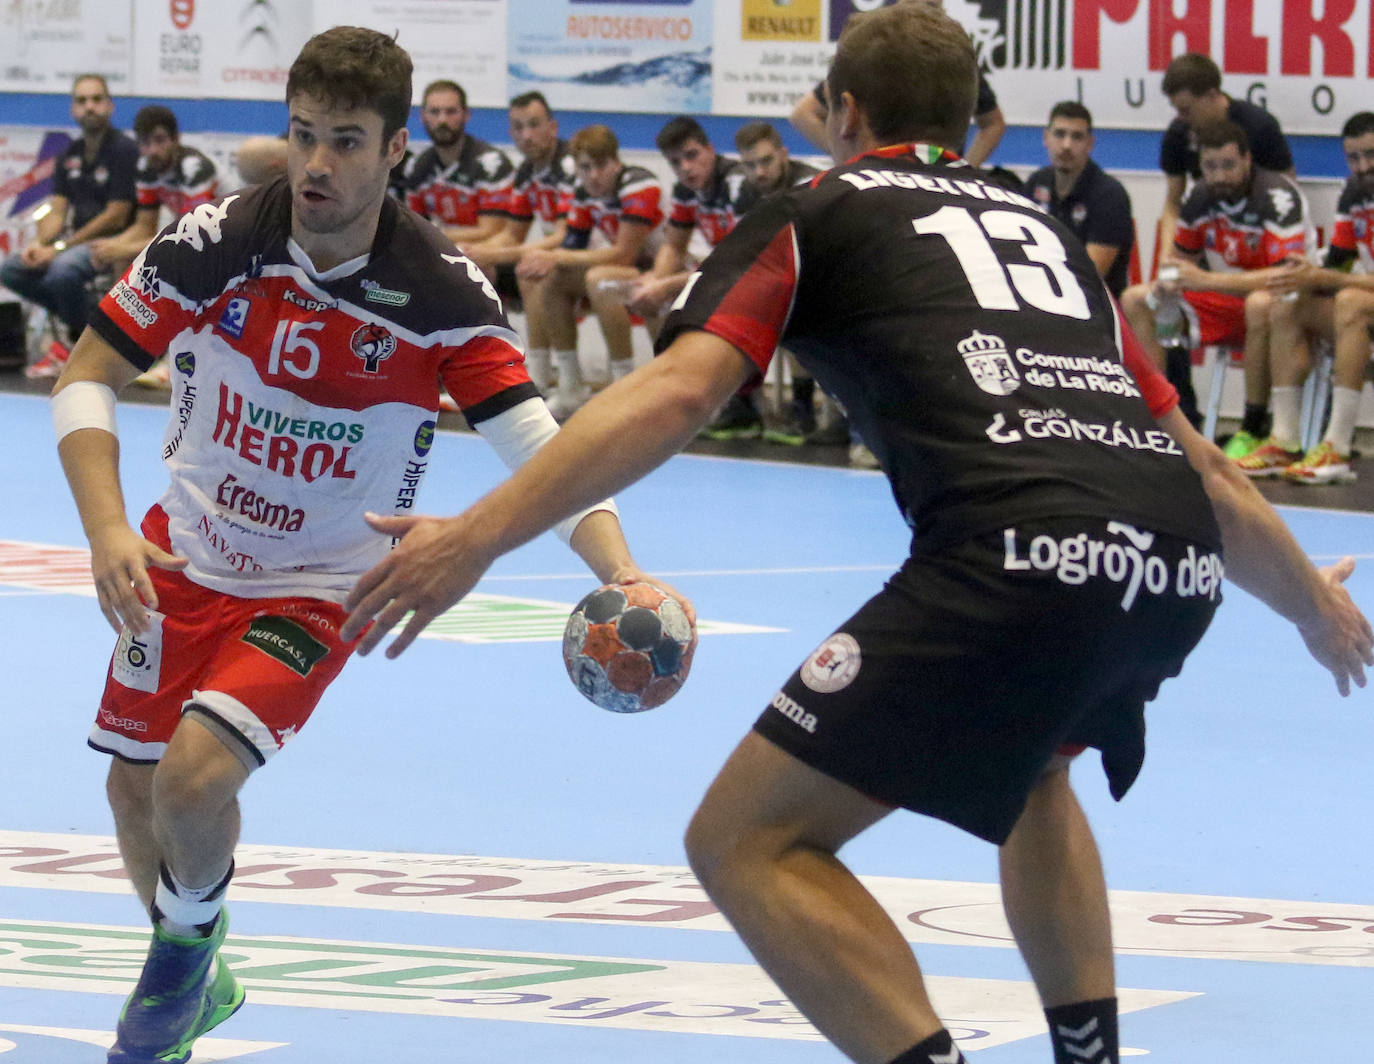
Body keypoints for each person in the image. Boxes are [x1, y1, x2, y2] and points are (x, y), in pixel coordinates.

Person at [337, 7, 1372, 1064]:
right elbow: (1202, 465)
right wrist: (1315, 605)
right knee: (1037, 764)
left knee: (746, 840)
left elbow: (675, 395)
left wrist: (474, 537)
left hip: (1012, 552)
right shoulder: (1047, 233)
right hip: (1168, 564)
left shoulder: (812, 210)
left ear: (843, 114)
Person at [50, 27, 677, 1064]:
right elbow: (84, 372)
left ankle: (183, 955)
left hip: (323, 584)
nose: (316, 164)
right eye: (302, 136)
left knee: (194, 781)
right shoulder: (214, 242)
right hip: (180, 556)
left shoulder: (438, 289)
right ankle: (202, 965)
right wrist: (107, 524)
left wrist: (621, 571)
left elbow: (536, 442)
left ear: (395, 151)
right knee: (133, 785)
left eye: (346, 140)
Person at [1120, 120, 1310, 457]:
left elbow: (1285, 278)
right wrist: (1168, 282)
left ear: (1247, 160)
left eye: (1228, 165)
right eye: (1211, 166)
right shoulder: (1199, 196)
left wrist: (1206, 280)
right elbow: (1180, 261)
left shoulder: (1278, 197)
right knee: (1137, 300)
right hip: (1226, 304)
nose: (1220, 175)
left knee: (1261, 302)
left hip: (1282, 309)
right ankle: (1159, 424)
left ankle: (1252, 427)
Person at [586, 116, 757, 437]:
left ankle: (738, 403)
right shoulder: (685, 190)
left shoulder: (737, 183)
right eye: (675, 162)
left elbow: (737, 260)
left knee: (682, 295)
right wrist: (655, 281)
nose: (685, 168)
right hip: (716, 272)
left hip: (751, 273)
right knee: (650, 296)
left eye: (691, 156)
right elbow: (673, 247)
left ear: (709, 149)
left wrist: (664, 284)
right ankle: (660, 389)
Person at [514, 124, 663, 419]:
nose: (594, 175)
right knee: (553, 280)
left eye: (602, 165)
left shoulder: (638, 184)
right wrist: (550, 260)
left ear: (616, 162)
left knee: (601, 279)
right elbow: (573, 245)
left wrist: (555, 255)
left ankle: (625, 385)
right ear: (576, 169)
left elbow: (623, 254)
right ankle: (571, 386)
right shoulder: (583, 193)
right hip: (634, 273)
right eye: (585, 167)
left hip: (667, 273)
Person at [1261, 111, 1374, 484]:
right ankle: (1284, 439)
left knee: (1351, 302)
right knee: (1288, 300)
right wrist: (1305, 272)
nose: (1363, 166)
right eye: (1354, 158)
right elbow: (1340, 263)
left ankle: (1337, 447)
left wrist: (1323, 276)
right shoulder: (1355, 193)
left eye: (1371, 155)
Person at [1, 73, 138, 379]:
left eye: (96, 99)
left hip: (113, 244)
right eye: (81, 101)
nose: (89, 106)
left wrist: (61, 248)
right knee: (11, 268)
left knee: (62, 272)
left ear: (110, 106)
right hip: (74, 246)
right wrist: (41, 244)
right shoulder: (69, 154)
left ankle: (78, 342)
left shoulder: (125, 150)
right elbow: (57, 209)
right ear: (73, 110)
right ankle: (97, 323)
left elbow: (116, 215)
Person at [789, 0, 1005, 167]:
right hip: (886, 179)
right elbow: (803, 113)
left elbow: (993, 123)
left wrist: (965, 169)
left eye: (930, 6)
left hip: (928, 181)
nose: (922, 16)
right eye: (914, 6)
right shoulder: (870, 56)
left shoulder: (956, 63)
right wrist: (849, 159)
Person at [459, 91, 578, 389]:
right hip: (564, 252)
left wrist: (497, 255)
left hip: (588, 252)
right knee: (478, 267)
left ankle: (555, 378)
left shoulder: (569, 165)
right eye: (518, 127)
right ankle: (481, 369)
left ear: (553, 127)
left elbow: (567, 235)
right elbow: (512, 233)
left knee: (533, 271)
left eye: (534, 125)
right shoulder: (526, 171)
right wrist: (470, 252)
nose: (526, 135)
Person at [733, 121, 827, 446]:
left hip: (830, 267)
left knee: (793, 304)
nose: (759, 172)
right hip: (788, 271)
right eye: (750, 165)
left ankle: (805, 409)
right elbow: (745, 248)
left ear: (783, 154)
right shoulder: (746, 191)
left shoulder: (809, 183)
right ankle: (748, 404)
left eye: (766, 161)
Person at [1157, 52, 1295, 256]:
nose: (1181, 118)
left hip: (1259, 243)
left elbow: (1288, 196)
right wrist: (1167, 262)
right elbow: (1173, 203)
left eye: (1187, 110)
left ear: (1213, 95)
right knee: (1142, 290)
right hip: (1209, 238)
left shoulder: (1259, 127)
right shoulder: (1178, 134)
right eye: (1177, 110)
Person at [89, 105, 219, 279]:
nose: (153, 150)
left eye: (160, 140)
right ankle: (122, 306)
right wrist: (110, 246)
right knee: (122, 255)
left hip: (224, 239)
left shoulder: (193, 168)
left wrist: (121, 249)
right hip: (200, 238)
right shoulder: (146, 167)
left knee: (126, 253)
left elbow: (192, 235)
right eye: (145, 142)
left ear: (176, 139)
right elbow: (145, 226)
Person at [1024, 102, 1134, 299]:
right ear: (1046, 138)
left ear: (1090, 144)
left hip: (1094, 308)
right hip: (1040, 296)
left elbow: (1089, 276)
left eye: (1077, 137)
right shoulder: (1036, 183)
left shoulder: (1110, 196)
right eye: (1059, 134)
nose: (1066, 145)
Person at [404, 78, 514, 247]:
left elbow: (491, 231)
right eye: (434, 112)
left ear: (466, 114)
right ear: (422, 117)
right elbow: (414, 230)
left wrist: (435, 234)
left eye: (450, 112)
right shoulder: (415, 166)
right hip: (438, 253)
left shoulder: (492, 164)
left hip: (484, 256)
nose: (442, 120)